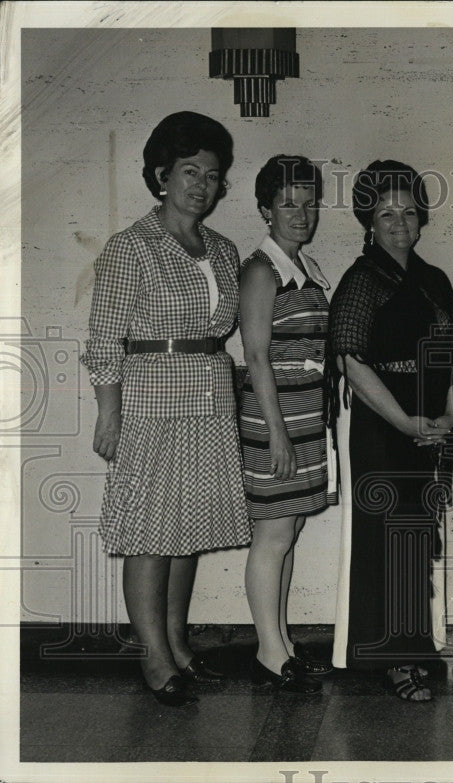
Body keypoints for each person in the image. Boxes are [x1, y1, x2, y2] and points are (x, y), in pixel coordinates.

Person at [82, 111, 251, 707]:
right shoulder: (131, 247)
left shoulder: (224, 250)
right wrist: (109, 413)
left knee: (188, 530)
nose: (201, 185)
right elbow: (103, 340)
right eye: (189, 172)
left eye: (212, 174)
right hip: (151, 395)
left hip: (208, 395)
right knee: (151, 533)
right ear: (160, 175)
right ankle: (154, 657)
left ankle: (179, 646)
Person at [324, 160, 453, 702]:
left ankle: (412, 647)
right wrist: (406, 422)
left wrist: (449, 417)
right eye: (387, 212)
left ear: (421, 217)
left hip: (433, 422)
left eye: (408, 210)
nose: (399, 221)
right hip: (385, 424)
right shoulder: (362, 280)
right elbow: (351, 361)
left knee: (415, 538)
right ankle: (390, 657)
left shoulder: (434, 280)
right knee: (386, 539)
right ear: (369, 220)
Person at [239, 155, 333, 694]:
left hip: (305, 419)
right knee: (272, 535)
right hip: (273, 419)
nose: (301, 214)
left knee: (289, 531)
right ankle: (269, 652)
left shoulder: (307, 267)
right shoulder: (261, 269)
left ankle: (283, 642)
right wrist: (276, 431)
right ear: (264, 209)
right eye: (288, 204)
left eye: (309, 203)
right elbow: (255, 356)